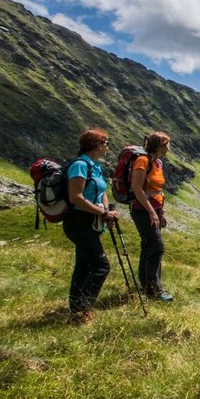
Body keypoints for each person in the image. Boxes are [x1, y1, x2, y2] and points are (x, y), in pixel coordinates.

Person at [64, 129, 120, 324]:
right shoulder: (80, 166)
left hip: (90, 221)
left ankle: (76, 309)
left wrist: (106, 210)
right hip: (78, 221)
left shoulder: (94, 166)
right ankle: (84, 308)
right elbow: (75, 197)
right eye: (106, 143)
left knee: (84, 265)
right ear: (97, 145)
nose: (108, 147)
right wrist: (103, 213)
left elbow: (101, 191)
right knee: (101, 267)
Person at [130, 132, 173, 302]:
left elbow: (158, 189)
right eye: (167, 144)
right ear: (160, 145)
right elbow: (137, 188)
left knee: (148, 246)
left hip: (154, 209)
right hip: (142, 210)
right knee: (156, 247)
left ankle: (145, 285)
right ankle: (154, 290)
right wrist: (151, 211)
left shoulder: (158, 163)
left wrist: (161, 211)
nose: (169, 148)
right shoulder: (143, 161)